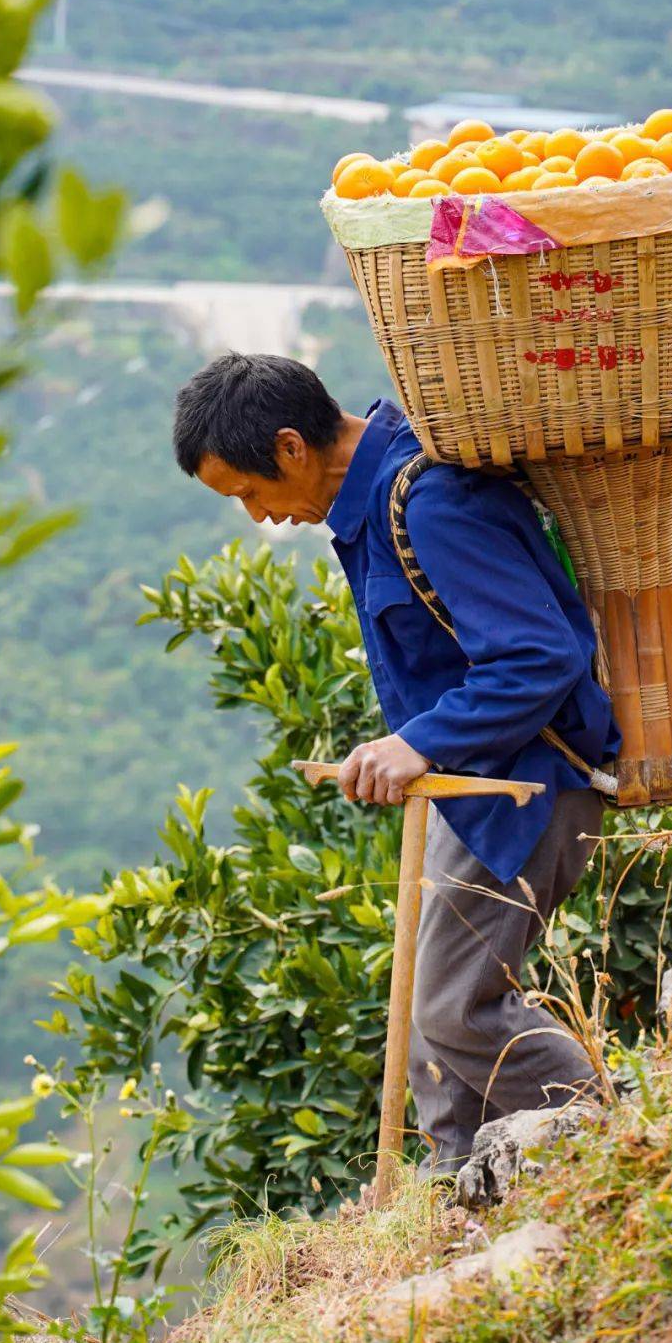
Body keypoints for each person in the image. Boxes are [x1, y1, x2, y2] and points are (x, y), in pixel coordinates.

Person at [172, 350, 620, 1182]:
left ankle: (617, 1136)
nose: (260, 516)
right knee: (429, 1009)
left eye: (249, 492)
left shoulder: (433, 500)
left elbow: (540, 655)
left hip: (530, 787)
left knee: (455, 1009)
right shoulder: (376, 492)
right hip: (474, 789)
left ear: (291, 446)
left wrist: (419, 742)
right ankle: (456, 1183)